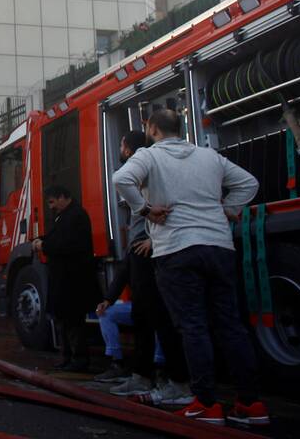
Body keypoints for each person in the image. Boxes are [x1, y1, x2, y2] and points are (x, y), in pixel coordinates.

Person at [114, 109, 267, 426]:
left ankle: (206, 404)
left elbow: (121, 179)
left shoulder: (149, 156)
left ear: (152, 128)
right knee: (230, 325)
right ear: (180, 128)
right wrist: (229, 209)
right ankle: (250, 404)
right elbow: (249, 182)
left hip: (177, 249)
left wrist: (144, 209)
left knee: (193, 326)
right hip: (219, 247)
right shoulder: (209, 156)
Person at [100, 131, 190, 405]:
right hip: (141, 251)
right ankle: (145, 376)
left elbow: (174, 204)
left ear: (128, 147)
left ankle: (178, 382)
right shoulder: (147, 170)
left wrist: (153, 238)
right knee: (144, 317)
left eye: (121, 145)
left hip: (148, 251)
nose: (120, 150)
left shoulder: (144, 167)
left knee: (158, 317)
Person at [31, 185, 99, 372]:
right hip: (64, 279)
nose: (51, 207)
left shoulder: (76, 216)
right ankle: (68, 356)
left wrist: (43, 245)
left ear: (62, 197)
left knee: (73, 321)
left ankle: (78, 358)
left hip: (72, 280)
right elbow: (57, 238)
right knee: (65, 320)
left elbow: (64, 243)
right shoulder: (65, 216)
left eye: (52, 202)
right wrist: (42, 241)